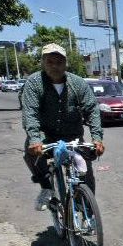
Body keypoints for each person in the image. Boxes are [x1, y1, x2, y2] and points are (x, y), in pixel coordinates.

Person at [21, 43, 105, 211]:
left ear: (65, 63)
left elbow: (92, 109)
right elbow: (30, 113)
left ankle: (88, 210)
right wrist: (35, 140)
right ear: (43, 62)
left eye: (59, 62)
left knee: (86, 172)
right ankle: (46, 188)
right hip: (46, 136)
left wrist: (97, 138)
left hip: (72, 136)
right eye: (50, 61)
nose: (55, 66)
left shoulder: (77, 83)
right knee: (31, 153)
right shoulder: (34, 82)